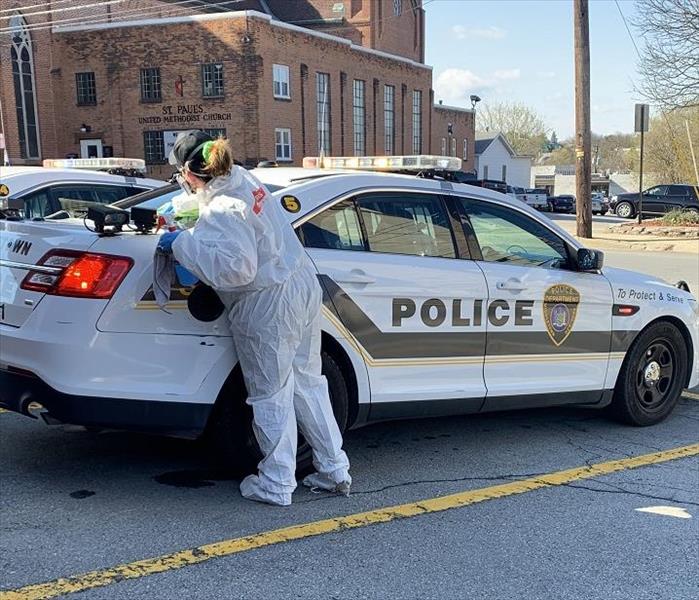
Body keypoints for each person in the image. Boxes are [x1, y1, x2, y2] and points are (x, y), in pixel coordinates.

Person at [158, 130, 351, 506]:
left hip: (267, 304)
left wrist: (179, 243)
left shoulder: (222, 208)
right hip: (299, 285)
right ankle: (333, 469)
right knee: (308, 383)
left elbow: (236, 270)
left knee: (270, 394)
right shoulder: (244, 179)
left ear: (190, 172)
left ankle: (277, 483)